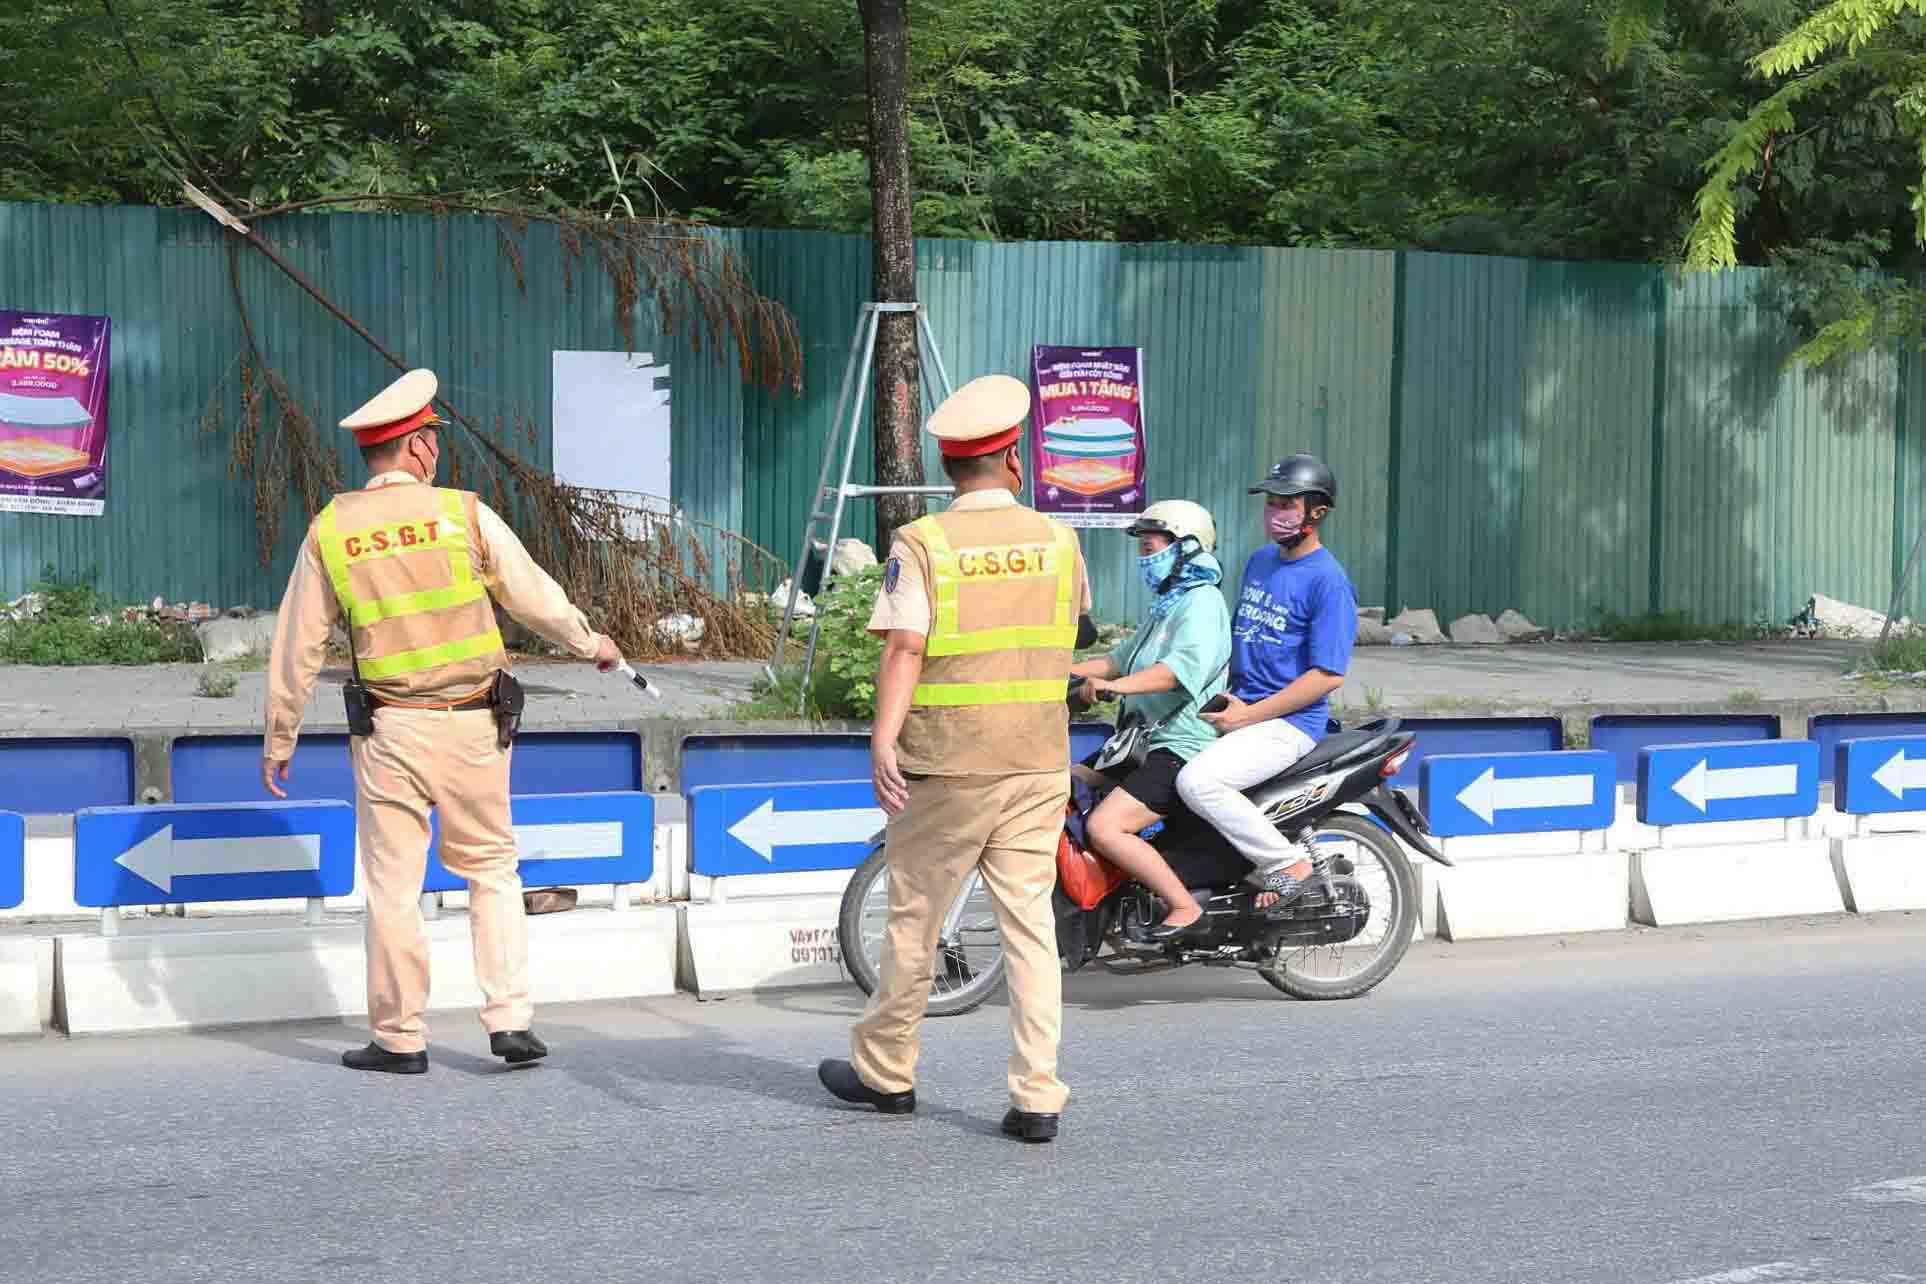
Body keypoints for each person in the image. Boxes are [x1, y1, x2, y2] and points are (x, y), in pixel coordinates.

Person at [261, 368, 622, 1075]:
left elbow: (296, 642)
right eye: (433, 439)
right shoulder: (463, 513)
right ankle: (510, 1021)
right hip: (473, 727)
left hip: (392, 732)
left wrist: (281, 737)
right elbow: (532, 595)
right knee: (491, 868)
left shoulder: (331, 530)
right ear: (419, 449)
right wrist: (591, 643)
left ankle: (399, 1039)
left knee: (394, 885)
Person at [816, 372, 1092, 1144]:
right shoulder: (1056, 539)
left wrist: (881, 739)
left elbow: (905, 645)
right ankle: (1038, 1095)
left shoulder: (923, 543)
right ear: (1014, 458)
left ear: (949, 467)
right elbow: (1074, 626)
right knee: (1030, 927)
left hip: (948, 767)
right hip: (1037, 763)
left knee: (915, 919)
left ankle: (887, 1073)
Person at [1175, 454, 1358, 908]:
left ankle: (1287, 864)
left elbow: (1327, 676)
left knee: (1199, 783)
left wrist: (1250, 716)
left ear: (1317, 512)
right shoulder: (1260, 562)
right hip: (1239, 707)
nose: (1275, 513)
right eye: (1271, 503)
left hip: (1288, 725)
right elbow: (1244, 637)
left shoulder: (1329, 582)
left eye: (1287, 504)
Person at [1068, 499, 1231, 940]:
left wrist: (1116, 689)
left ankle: (1182, 907)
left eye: (1150, 547)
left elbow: (1178, 672)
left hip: (1178, 745)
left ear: (1187, 548)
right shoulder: (1168, 605)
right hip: (1139, 739)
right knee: (1063, 784)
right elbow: (1120, 661)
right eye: (1141, 549)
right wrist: (1055, 675)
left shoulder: (1202, 603)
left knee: (1105, 826)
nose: (1144, 558)